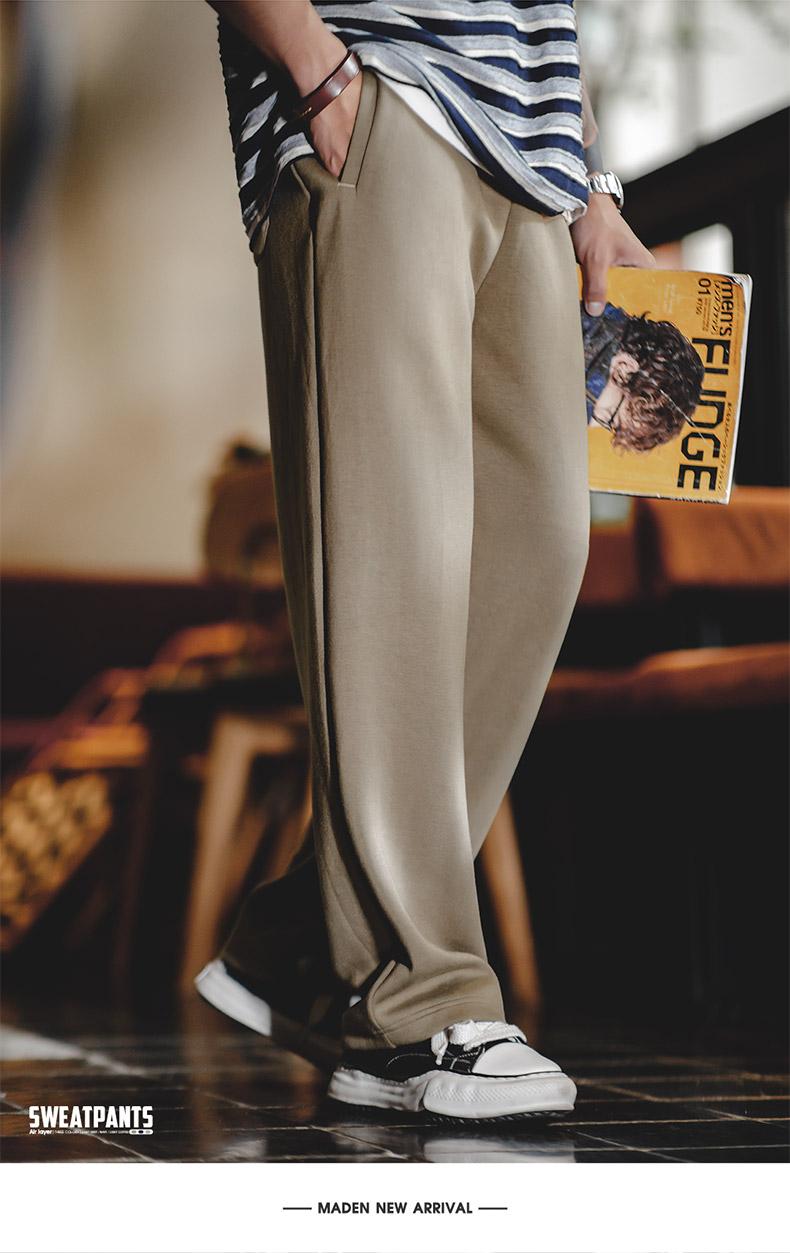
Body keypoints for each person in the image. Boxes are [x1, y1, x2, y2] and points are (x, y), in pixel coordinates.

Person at [197, 0, 655, 1121]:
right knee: (392, 557)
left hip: (530, 162)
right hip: (373, 95)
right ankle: (419, 1001)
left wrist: (593, 186)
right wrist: (316, 72)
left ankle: (305, 942)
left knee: (540, 548)